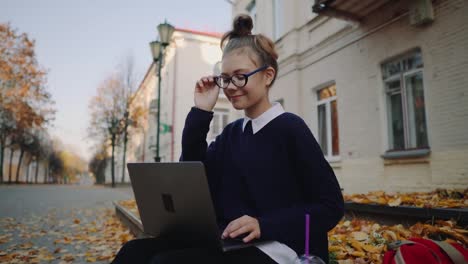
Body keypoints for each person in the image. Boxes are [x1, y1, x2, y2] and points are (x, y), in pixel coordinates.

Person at [111, 14, 344, 264]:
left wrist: (263, 225)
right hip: (230, 242)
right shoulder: (231, 134)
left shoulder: (290, 128)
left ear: (267, 76)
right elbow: (194, 174)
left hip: (280, 247)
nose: (231, 86)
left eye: (240, 76)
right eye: (225, 78)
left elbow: (330, 206)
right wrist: (202, 111)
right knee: (133, 252)